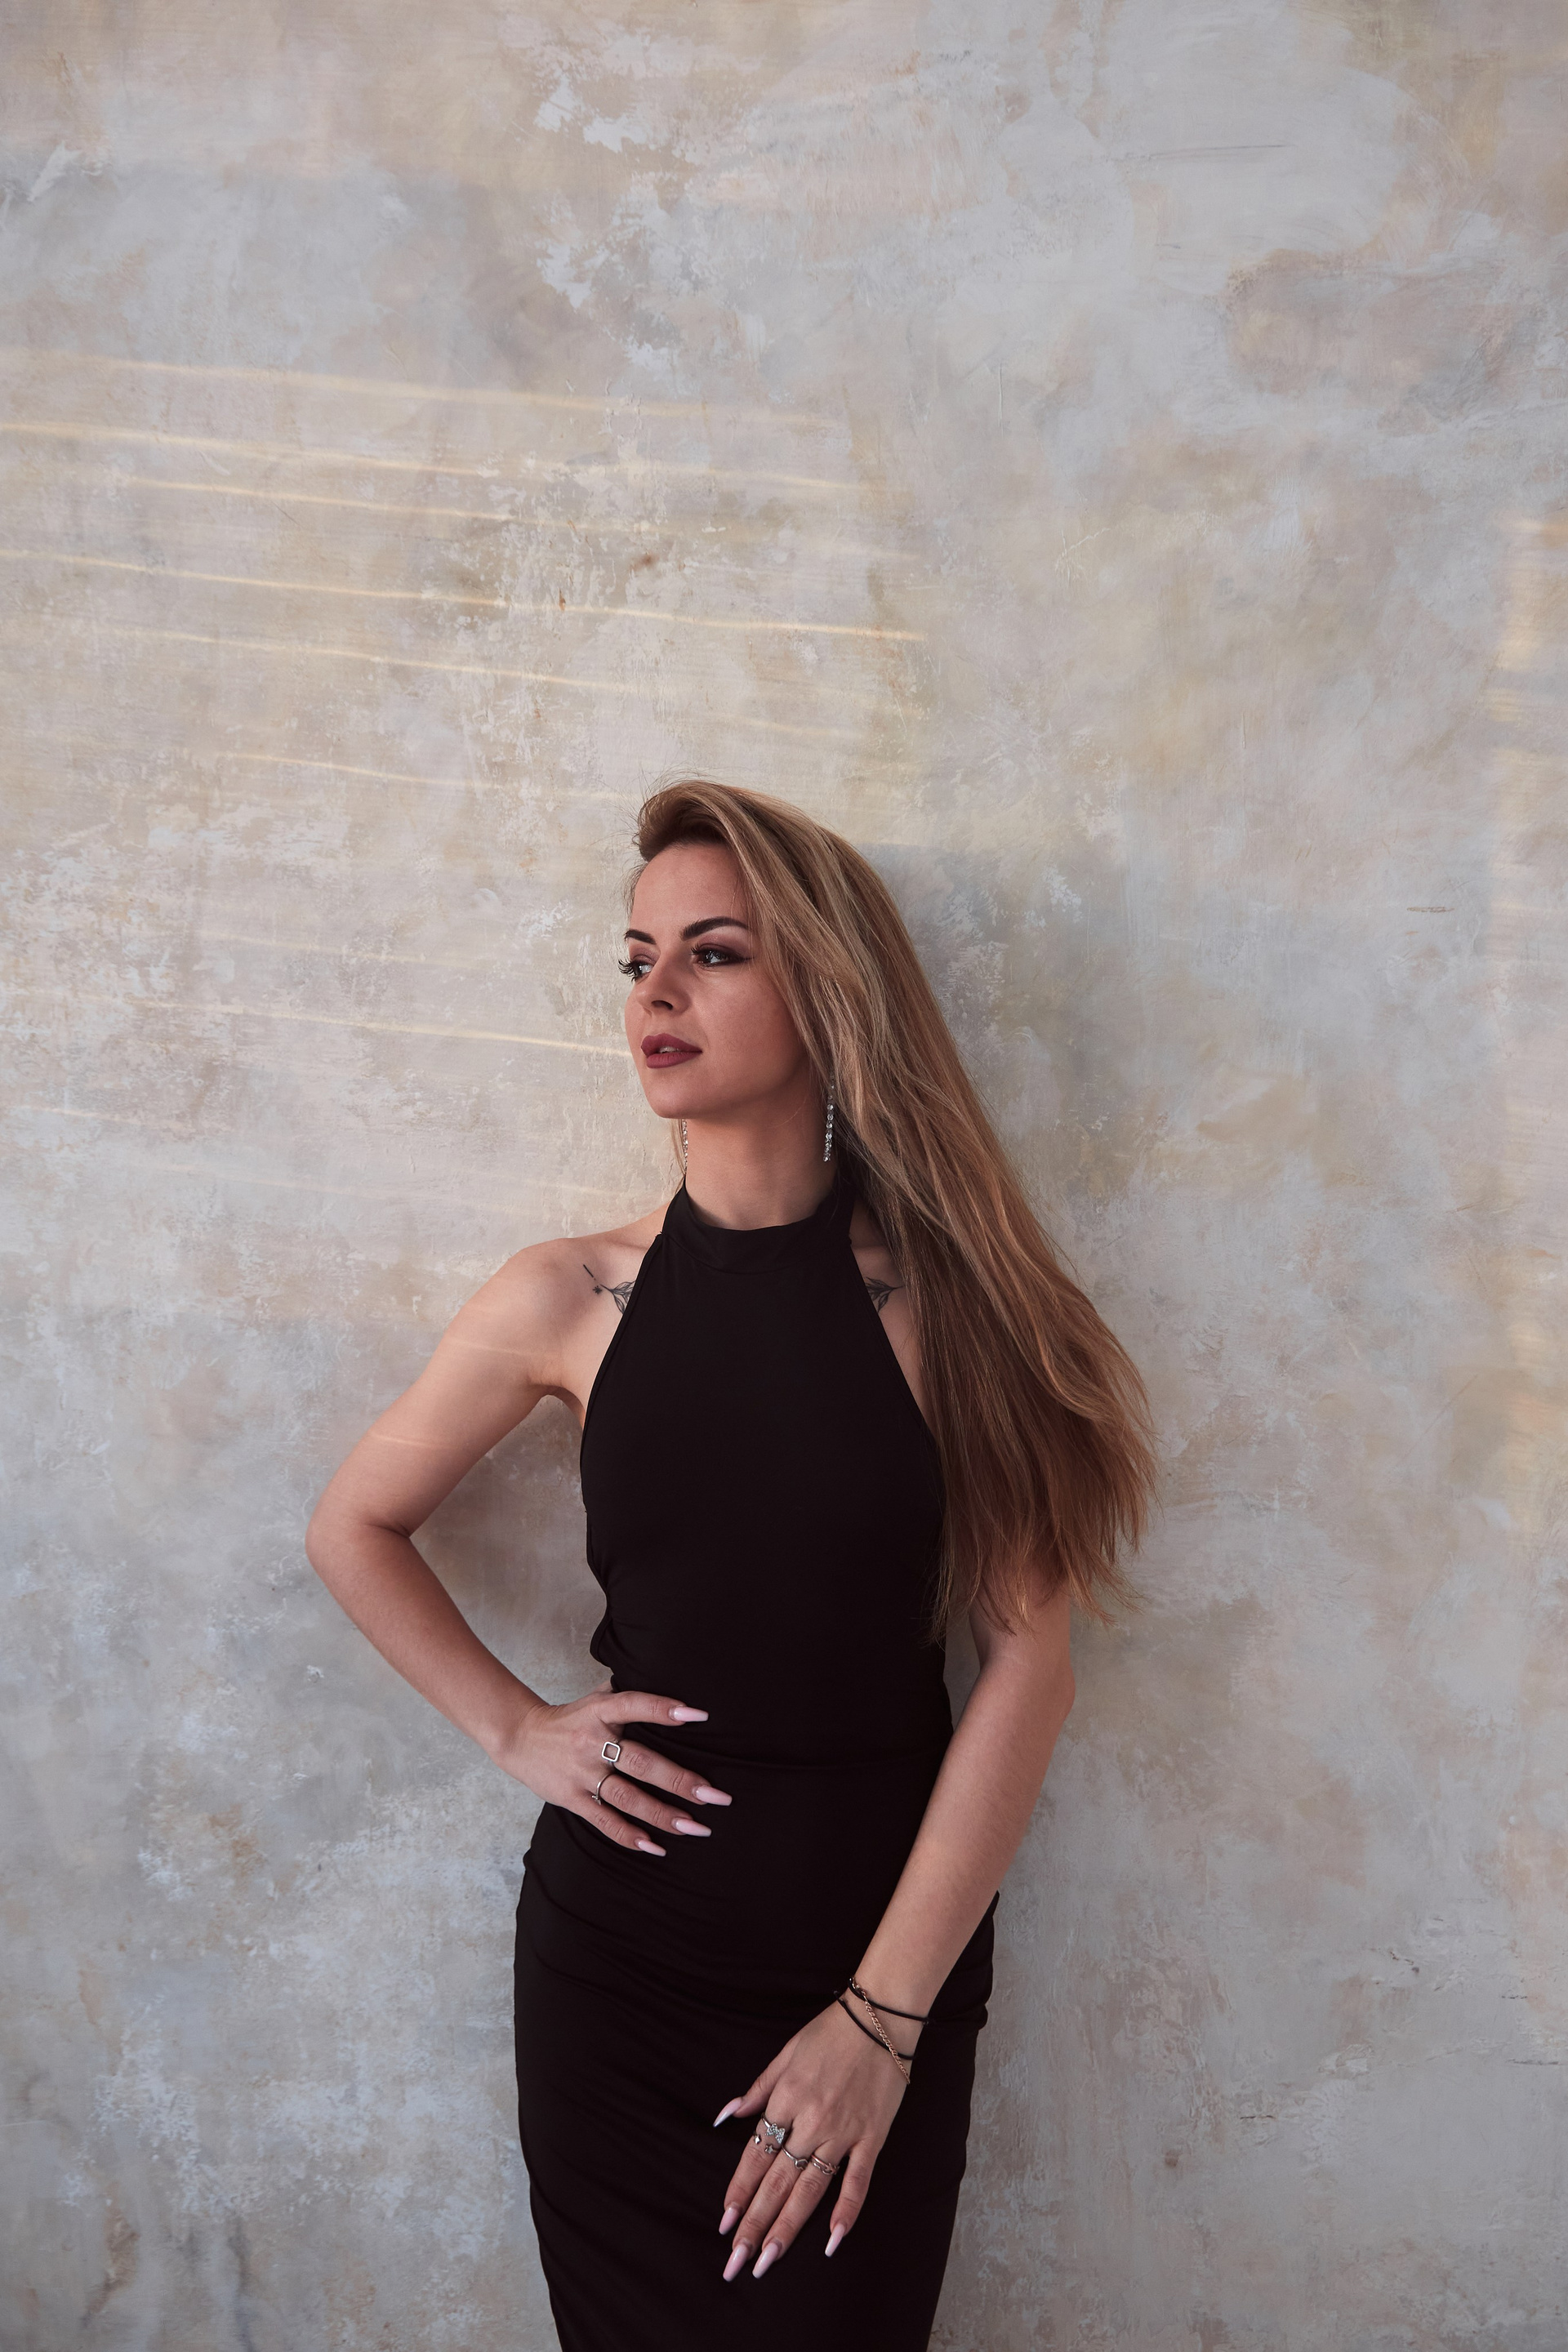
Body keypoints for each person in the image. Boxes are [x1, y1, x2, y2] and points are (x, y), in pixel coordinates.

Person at [305, 778, 1156, 2350]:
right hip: (617, 1975)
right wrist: (515, 1727)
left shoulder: (946, 1312)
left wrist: (881, 2022)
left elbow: (1030, 1663)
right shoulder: (569, 1297)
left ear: (827, 988)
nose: (658, 996)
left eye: (714, 954)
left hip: (873, 1967)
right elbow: (351, 1525)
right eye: (638, 961)